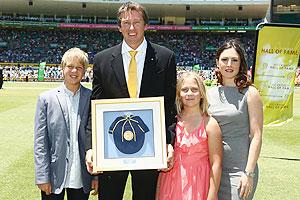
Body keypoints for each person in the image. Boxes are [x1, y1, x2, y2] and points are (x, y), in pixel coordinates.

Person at [85, 1, 177, 200]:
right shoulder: (102, 60)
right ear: (119, 27)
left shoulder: (165, 58)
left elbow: (170, 106)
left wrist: (169, 143)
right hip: (112, 147)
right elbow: (95, 109)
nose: (132, 28)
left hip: (150, 147)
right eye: (126, 22)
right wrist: (92, 147)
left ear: (146, 25)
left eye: (137, 22)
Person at [34, 48, 98, 200]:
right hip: (54, 175)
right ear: (62, 68)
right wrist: (42, 176)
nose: (74, 71)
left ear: (85, 71)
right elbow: (40, 142)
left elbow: (96, 139)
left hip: (82, 174)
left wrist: (96, 176)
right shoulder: (46, 99)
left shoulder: (92, 98)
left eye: (79, 67)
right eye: (70, 66)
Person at [207, 39, 263, 200]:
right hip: (212, 170)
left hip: (240, 171)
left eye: (234, 60)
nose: (229, 64)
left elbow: (257, 136)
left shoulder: (250, 93)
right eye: (224, 59)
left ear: (241, 64)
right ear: (217, 62)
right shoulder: (209, 94)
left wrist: (249, 173)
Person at [157, 71, 222, 200]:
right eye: (185, 90)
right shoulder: (171, 122)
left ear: (202, 93)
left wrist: (212, 194)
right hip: (171, 182)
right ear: (179, 94)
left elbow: (216, 164)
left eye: (194, 89)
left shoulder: (210, 124)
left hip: (199, 183)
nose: (189, 94)